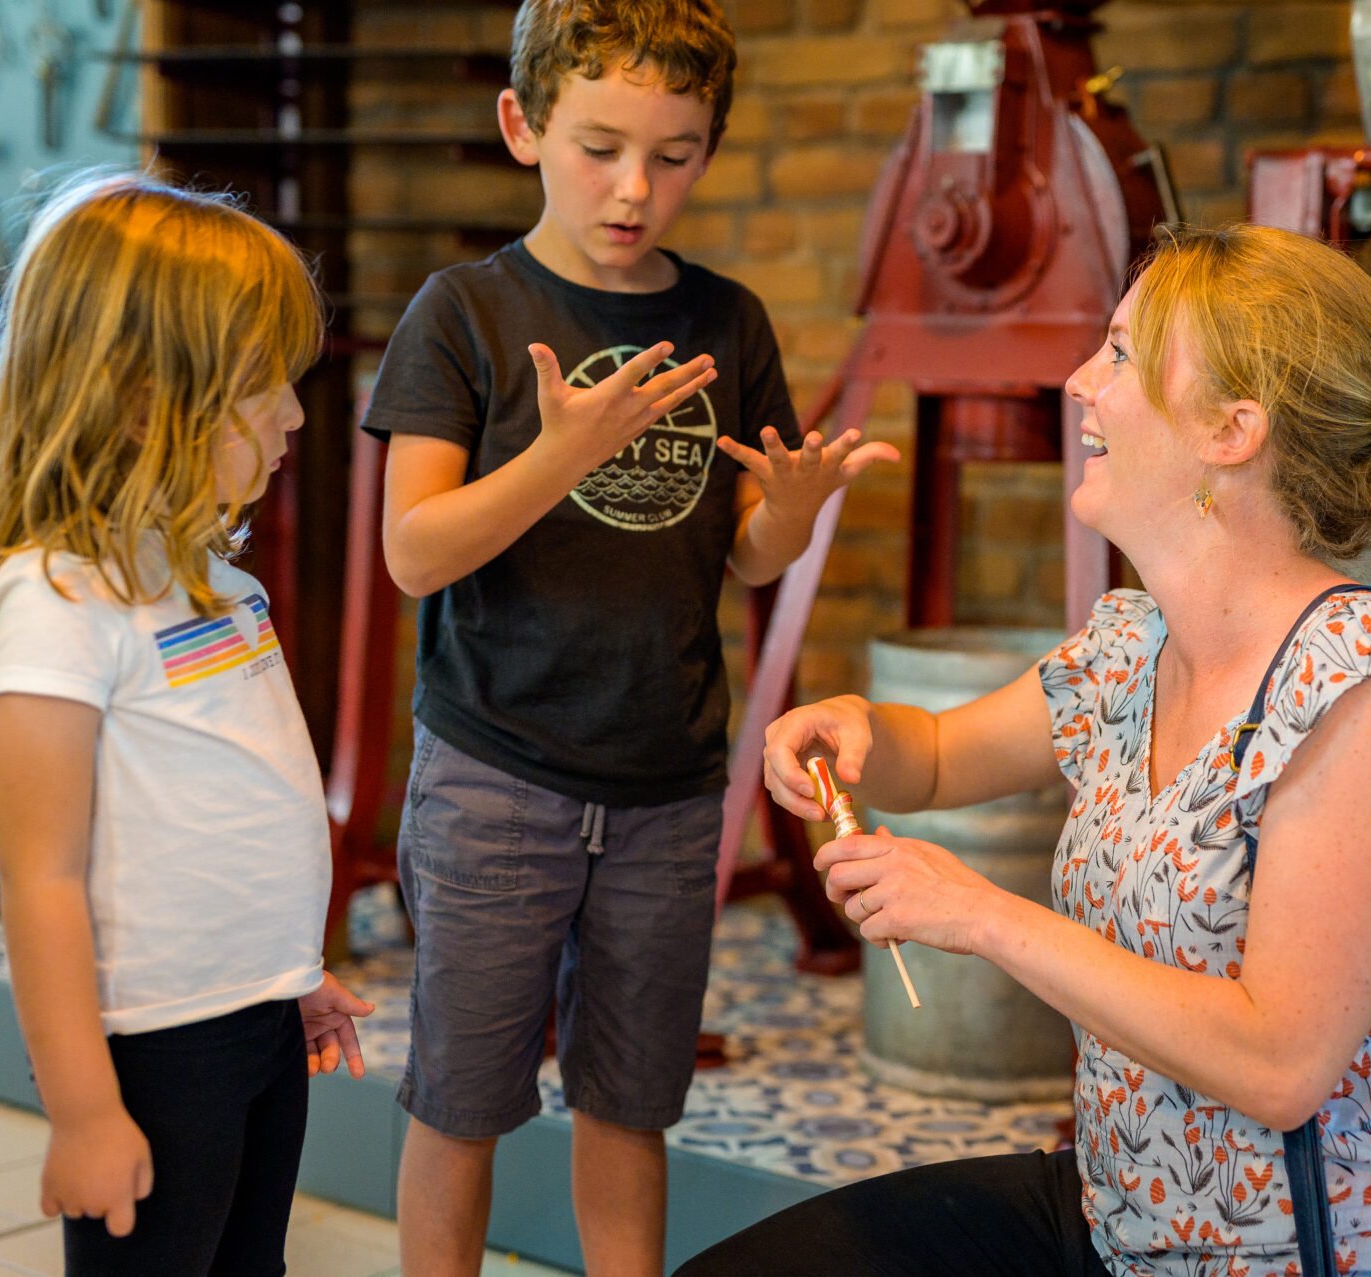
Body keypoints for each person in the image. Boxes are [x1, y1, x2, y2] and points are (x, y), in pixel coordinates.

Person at [682, 223, 1371, 1277]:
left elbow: (1281, 1062)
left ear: (1232, 429)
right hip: (1118, 1219)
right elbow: (934, 755)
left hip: (1298, 1256)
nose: (1079, 381)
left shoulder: (1370, 689)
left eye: (1119, 353)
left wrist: (981, 914)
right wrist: (857, 729)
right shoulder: (1135, 644)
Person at [359, 3, 898, 1273]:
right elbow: (413, 552)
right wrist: (562, 454)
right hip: (494, 775)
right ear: (523, 125)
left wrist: (795, 509)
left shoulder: (728, 320)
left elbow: (744, 550)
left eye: (675, 154)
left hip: (666, 784)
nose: (634, 188)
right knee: (461, 1098)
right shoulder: (465, 312)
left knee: (632, 1098)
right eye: (600, 148)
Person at [0, 174, 375, 1277]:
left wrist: (288, 971)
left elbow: (226, 801)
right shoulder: (54, 603)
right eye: (264, 386)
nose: (295, 415)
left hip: (257, 1020)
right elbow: (40, 880)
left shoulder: (210, 581)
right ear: (146, 398)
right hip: (151, 1048)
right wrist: (85, 1112)